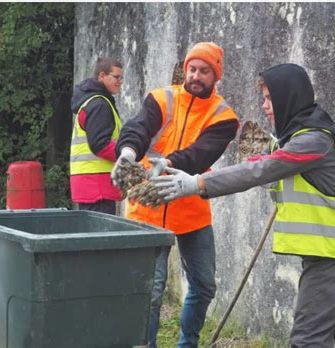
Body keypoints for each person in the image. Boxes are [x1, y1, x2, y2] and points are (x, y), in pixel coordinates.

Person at [153, 64, 335, 348]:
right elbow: (257, 165)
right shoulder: (297, 136)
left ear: (288, 97)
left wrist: (197, 184)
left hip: (332, 255)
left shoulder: (311, 141)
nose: (264, 106)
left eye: (270, 98)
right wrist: (181, 166)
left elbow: (260, 171)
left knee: (307, 339)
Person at [112, 42, 240, 347]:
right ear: (185, 69)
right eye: (192, 69)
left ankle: (188, 342)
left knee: (205, 285)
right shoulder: (161, 98)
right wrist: (128, 153)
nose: (196, 76)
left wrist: (167, 163)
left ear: (215, 75)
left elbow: (200, 154)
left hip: (192, 209)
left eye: (204, 71)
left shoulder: (224, 117)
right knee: (151, 292)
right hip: (148, 210)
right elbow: (138, 128)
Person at [69, 57, 123, 215]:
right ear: (102, 76)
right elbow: (100, 145)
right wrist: (128, 152)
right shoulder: (99, 104)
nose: (120, 81)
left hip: (91, 185)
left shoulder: (91, 101)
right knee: (102, 238)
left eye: (122, 77)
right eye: (116, 77)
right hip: (98, 187)